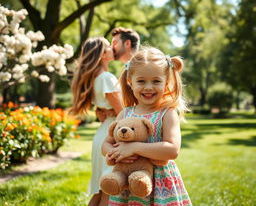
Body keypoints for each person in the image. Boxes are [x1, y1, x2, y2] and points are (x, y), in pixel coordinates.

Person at [102, 46, 192, 205]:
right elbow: (106, 144)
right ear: (130, 82)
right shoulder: (125, 114)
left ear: (166, 83)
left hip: (160, 184)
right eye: (141, 81)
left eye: (156, 81)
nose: (149, 87)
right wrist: (112, 152)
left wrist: (134, 147)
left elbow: (172, 150)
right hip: (128, 184)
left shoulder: (167, 114)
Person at [69, 37, 123, 206]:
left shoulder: (94, 78)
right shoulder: (106, 77)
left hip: (103, 133)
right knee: (109, 191)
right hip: (112, 135)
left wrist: (105, 111)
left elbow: (107, 106)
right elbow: (123, 112)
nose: (112, 49)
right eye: (108, 46)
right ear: (101, 54)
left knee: (101, 192)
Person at [96, 26, 141, 122]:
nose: (111, 48)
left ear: (127, 43)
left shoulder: (143, 67)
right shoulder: (124, 72)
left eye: (115, 43)